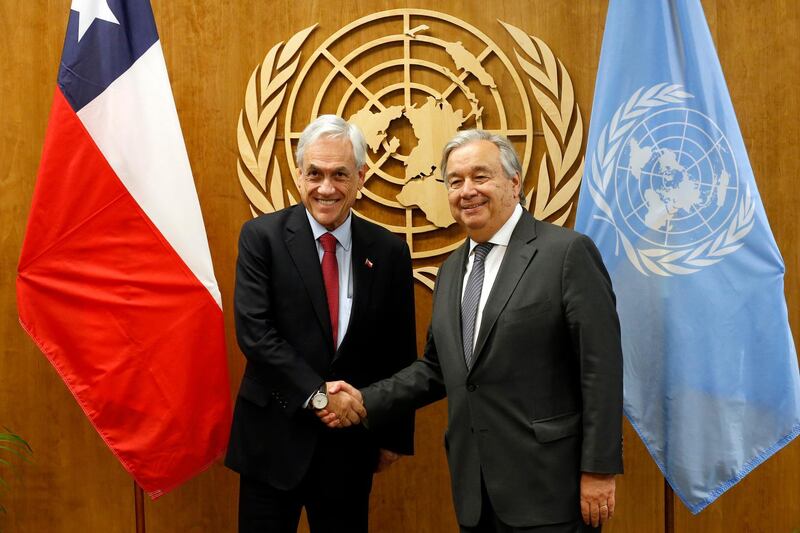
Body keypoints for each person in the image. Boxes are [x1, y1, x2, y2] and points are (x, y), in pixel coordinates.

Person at [327, 130, 623, 532]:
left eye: (480, 177)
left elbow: (600, 369)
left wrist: (600, 469)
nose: (467, 191)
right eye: (455, 181)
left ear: (514, 183)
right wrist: (364, 399)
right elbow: (436, 368)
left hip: (552, 489)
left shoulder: (567, 254)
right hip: (475, 491)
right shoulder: (452, 269)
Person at [225, 114, 417, 533]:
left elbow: (398, 348)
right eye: (315, 173)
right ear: (298, 175)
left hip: (349, 445)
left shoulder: (389, 251)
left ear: (361, 176)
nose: (326, 188)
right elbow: (255, 335)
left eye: (339, 175)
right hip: (272, 441)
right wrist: (317, 395)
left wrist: (392, 435)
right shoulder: (262, 238)